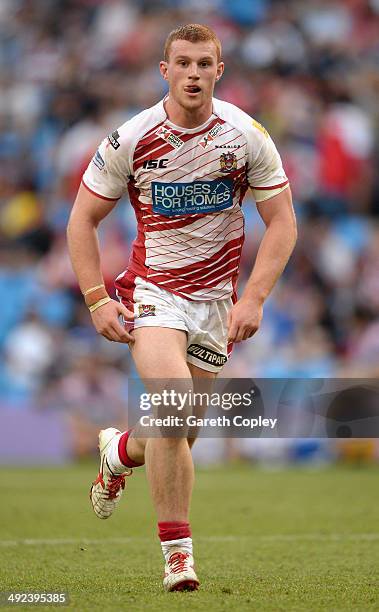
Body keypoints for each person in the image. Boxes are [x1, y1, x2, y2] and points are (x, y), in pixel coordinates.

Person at [67, 23, 297, 592]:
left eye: (204, 64)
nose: (193, 73)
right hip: (153, 293)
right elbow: (82, 220)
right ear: (164, 70)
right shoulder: (131, 137)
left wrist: (255, 297)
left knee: (176, 430)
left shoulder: (245, 136)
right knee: (173, 405)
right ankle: (178, 555)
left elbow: (283, 221)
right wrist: (97, 298)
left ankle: (120, 450)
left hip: (216, 303)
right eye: (183, 63)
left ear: (220, 71)